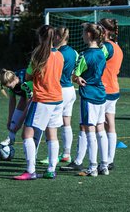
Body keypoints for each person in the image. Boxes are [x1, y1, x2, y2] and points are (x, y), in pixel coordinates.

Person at [13, 25, 64, 180]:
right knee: (52, 135)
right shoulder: (60, 56)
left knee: (27, 134)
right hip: (57, 99)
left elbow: (28, 77)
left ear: (41, 37)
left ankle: (30, 170)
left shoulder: (39, 55)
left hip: (43, 99)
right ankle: (51, 169)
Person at [73, 23, 108, 177]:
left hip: (88, 95)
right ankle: (104, 165)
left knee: (90, 131)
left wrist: (77, 78)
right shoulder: (102, 53)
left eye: (83, 32)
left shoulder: (84, 55)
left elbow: (75, 75)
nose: (81, 35)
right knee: (101, 129)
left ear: (88, 34)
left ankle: (93, 166)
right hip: (101, 93)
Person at [99, 18, 123, 170]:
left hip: (104, 90)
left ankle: (101, 162)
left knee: (98, 126)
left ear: (105, 31)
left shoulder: (106, 47)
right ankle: (109, 159)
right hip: (114, 89)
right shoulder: (118, 47)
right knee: (110, 125)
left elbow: (95, 62)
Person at [53, 26, 78, 163]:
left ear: (58, 37)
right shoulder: (74, 52)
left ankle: (51, 156)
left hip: (60, 89)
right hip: (70, 89)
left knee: (53, 124)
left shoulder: (57, 54)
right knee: (66, 123)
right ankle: (66, 154)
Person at [0, 69, 33, 146]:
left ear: (14, 80)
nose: (10, 88)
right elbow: (12, 102)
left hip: (37, 96)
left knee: (29, 122)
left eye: (10, 86)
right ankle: (10, 138)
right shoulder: (11, 84)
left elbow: (28, 107)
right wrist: (9, 119)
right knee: (15, 118)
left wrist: (20, 123)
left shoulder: (25, 83)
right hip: (26, 96)